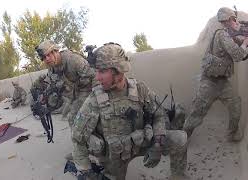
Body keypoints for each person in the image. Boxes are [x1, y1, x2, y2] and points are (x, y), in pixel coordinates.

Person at [71, 43, 188, 180]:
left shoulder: (140, 90)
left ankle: (179, 176)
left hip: (140, 142)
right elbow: (78, 138)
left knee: (180, 139)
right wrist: (86, 172)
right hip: (115, 157)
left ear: (118, 70)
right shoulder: (94, 100)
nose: (97, 77)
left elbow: (158, 115)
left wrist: (157, 144)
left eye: (102, 71)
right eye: (97, 71)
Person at [183, 7, 248, 141]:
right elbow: (237, 54)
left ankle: (231, 134)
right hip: (209, 82)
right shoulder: (222, 34)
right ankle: (182, 138)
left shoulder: (228, 36)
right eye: (233, 20)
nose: (235, 23)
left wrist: (243, 39)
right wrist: (245, 42)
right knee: (197, 113)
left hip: (223, 82)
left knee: (235, 105)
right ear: (229, 19)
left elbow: (238, 46)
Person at [36, 40, 96, 159]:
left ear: (55, 51)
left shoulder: (73, 60)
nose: (47, 59)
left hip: (88, 91)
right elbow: (50, 84)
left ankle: (83, 151)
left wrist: (96, 100)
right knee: (70, 117)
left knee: (74, 118)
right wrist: (44, 98)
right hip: (74, 95)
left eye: (48, 55)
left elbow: (94, 77)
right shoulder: (52, 67)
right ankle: (81, 149)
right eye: (44, 57)